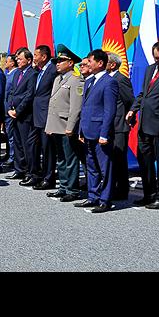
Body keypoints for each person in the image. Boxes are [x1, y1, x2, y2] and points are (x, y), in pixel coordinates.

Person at [127, 41, 159, 209]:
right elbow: (143, 94)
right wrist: (133, 110)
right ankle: (149, 195)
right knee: (145, 161)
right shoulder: (150, 69)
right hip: (144, 125)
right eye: (158, 58)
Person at [75, 50, 118, 213]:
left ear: (100, 63)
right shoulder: (89, 81)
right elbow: (85, 107)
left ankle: (105, 199)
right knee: (91, 165)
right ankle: (93, 195)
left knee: (105, 167)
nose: (87, 64)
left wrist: (104, 134)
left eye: (90, 61)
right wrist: (80, 130)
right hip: (87, 130)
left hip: (100, 132)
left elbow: (109, 110)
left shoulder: (109, 82)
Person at [45, 44, 85, 201]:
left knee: (70, 159)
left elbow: (76, 107)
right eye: (57, 61)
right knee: (60, 158)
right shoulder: (57, 79)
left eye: (61, 61)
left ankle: (72, 189)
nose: (57, 63)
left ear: (70, 63)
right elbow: (52, 103)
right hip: (55, 124)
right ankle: (62, 186)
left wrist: (71, 127)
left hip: (66, 125)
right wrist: (49, 125)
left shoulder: (76, 80)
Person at [106, 52, 135, 201]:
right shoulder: (106, 79)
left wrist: (129, 119)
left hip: (119, 126)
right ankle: (111, 187)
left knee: (119, 159)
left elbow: (130, 100)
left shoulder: (120, 79)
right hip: (108, 126)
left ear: (112, 65)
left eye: (105, 61)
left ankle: (122, 190)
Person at [6, 48, 38, 184]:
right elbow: (12, 92)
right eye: (17, 59)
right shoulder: (17, 73)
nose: (17, 61)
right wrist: (9, 108)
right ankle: (19, 169)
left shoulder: (33, 74)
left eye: (20, 59)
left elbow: (29, 95)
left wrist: (18, 111)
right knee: (17, 143)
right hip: (13, 113)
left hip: (25, 115)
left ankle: (29, 172)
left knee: (26, 145)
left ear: (29, 60)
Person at [31, 44, 58, 190]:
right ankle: (39, 174)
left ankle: (49, 178)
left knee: (48, 149)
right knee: (38, 147)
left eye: (36, 55)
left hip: (46, 115)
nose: (34, 58)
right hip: (36, 115)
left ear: (44, 56)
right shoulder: (38, 71)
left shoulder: (52, 70)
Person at [2, 54, 17, 169]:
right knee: (8, 134)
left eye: (7, 61)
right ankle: (9, 154)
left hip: (10, 109)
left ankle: (13, 157)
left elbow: (11, 93)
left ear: (12, 63)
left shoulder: (14, 75)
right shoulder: (8, 74)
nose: (5, 64)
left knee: (11, 135)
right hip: (6, 109)